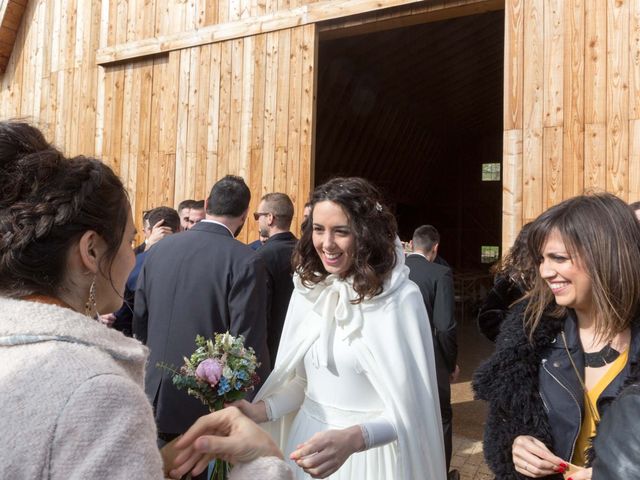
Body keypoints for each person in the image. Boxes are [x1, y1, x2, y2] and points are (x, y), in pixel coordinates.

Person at [232, 177, 446, 479]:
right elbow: (303, 385)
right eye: (318, 230)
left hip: (368, 460)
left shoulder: (400, 299)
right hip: (305, 448)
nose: (327, 243)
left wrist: (355, 438)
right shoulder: (310, 291)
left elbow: (416, 411)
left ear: (366, 234)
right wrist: (260, 410)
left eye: (341, 232)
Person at [0, 121, 164, 477]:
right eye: (129, 240)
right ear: (91, 249)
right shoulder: (98, 393)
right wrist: (257, 468)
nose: (133, 257)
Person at [473, 192, 640, 479]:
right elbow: (504, 422)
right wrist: (515, 444)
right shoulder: (527, 335)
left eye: (558, 258)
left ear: (606, 256)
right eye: (541, 259)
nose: (545, 271)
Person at [133, 175, 270, 464]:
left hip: (151, 391)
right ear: (245, 215)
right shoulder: (245, 260)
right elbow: (246, 340)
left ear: (207, 204)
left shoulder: (157, 251)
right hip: (203, 406)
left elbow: (140, 321)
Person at [406, 225, 458, 478]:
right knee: (442, 417)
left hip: (397, 357)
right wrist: (450, 363)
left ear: (412, 245)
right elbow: (445, 326)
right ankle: (439, 472)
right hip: (430, 358)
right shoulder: (440, 273)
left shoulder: (394, 271)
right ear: (435, 248)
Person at [255, 192, 298, 367]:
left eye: (258, 216)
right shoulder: (306, 252)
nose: (257, 220)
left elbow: (259, 310)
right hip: (301, 342)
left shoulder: (261, 257)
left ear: (270, 218)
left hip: (273, 348)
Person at [476, 222, 536, 342]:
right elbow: (487, 320)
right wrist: (514, 338)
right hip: (521, 350)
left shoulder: (551, 274)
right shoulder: (510, 279)